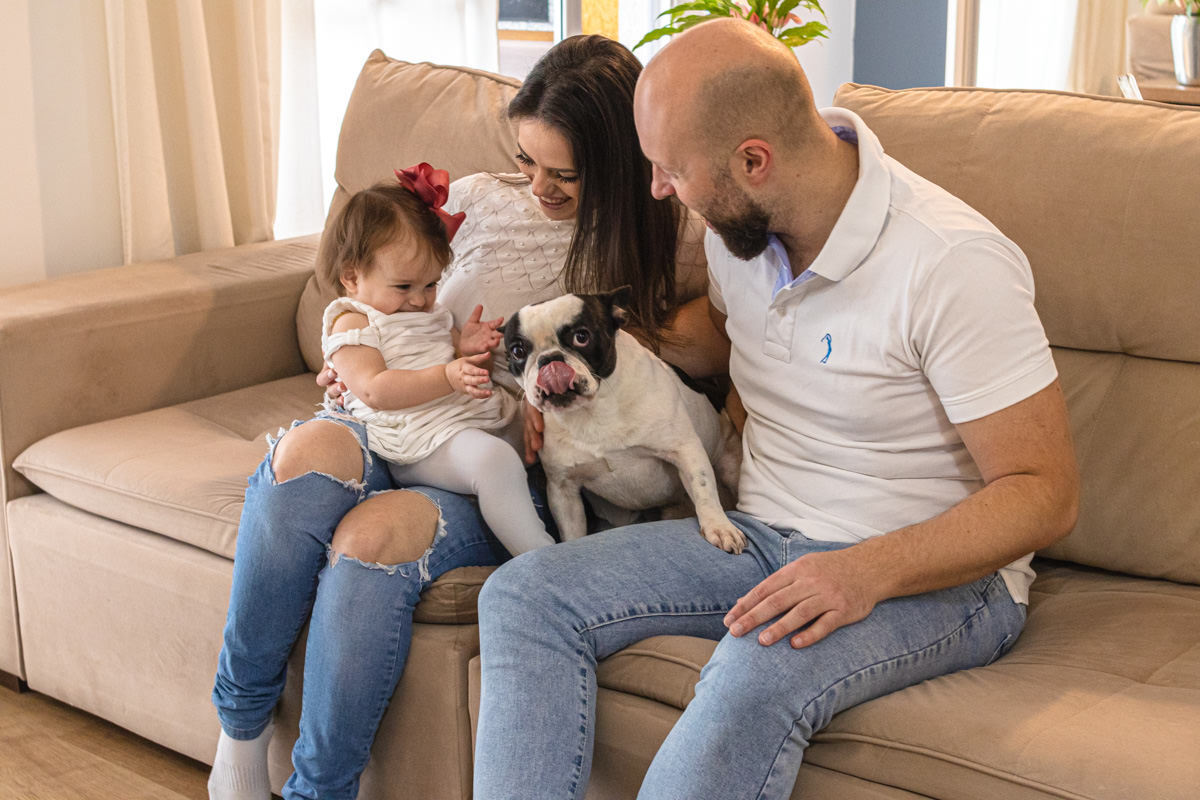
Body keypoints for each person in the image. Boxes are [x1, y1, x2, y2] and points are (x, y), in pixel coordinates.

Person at [471, 18, 1080, 800]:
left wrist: (865, 570)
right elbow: (719, 340)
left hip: (934, 577)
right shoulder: (738, 239)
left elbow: (1045, 493)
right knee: (523, 594)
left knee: (752, 668)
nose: (657, 190)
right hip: (760, 537)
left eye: (670, 170)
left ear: (753, 161)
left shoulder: (952, 263)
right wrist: (561, 369)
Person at [208, 34, 708, 800]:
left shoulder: (668, 237)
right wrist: (357, 349)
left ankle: (319, 791)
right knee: (304, 454)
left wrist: (600, 350)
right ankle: (239, 737)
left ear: (616, 164)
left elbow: (714, 349)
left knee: (372, 538)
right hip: (397, 410)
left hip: (493, 451)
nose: (537, 186)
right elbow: (381, 286)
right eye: (526, 160)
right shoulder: (470, 200)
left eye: (564, 174)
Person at [320, 165, 553, 556]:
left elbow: (461, 363)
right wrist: (447, 375)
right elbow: (375, 390)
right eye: (403, 286)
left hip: (469, 417)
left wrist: (470, 349)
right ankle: (541, 559)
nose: (419, 299)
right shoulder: (353, 321)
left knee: (550, 428)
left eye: (430, 283)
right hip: (419, 438)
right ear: (352, 278)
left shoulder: (433, 312)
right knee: (494, 462)